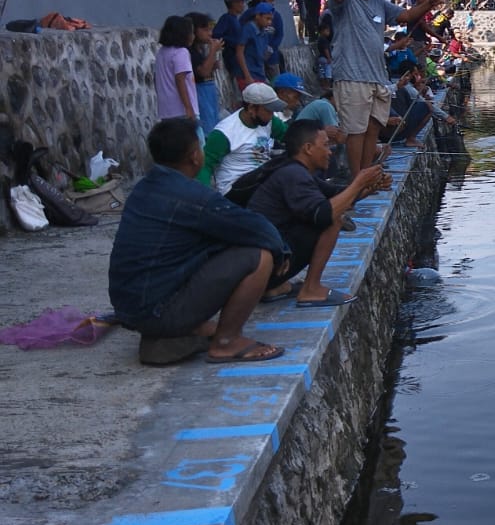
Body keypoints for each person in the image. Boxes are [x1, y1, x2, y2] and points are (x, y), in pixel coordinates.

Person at [109, 118, 287, 365]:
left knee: (222, 244)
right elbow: (260, 230)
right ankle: (227, 342)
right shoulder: (194, 197)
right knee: (259, 256)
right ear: (195, 156)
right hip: (156, 310)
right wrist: (282, 252)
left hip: (130, 309)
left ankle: (178, 334)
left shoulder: (142, 189)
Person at [327, 0, 444, 174]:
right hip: (352, 78)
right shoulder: (344, 1)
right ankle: (356, 179)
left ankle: (367, 172)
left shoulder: (378, 3)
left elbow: (406, 16)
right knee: (356, 130)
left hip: (377, 77)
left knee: (373, 128)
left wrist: (429, 4)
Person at [248, 119, 386, 309]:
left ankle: (275, 287)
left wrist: (370, 187)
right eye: (325, 145)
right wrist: (359, 182)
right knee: (334, 220)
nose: (330, 151)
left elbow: (337, 194)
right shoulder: (293, 175)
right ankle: (310, 289)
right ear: (308, 148)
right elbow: (323, 215)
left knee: (333, 210)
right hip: (268, 264)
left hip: (271, 261)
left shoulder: (294, 169)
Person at [201, 82, 288, 194]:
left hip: (261, 178)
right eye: (268, 110)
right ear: (252, 108)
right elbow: (205, 165)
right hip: (235, 186)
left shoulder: (269, 121)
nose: (271, 115)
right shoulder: (224, 133)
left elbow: (290, 136)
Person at [154, 15, 198, 125]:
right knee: (196, 140)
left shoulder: (161, 53)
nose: (193, 36)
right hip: (181, 110)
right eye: (191, 32)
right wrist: (188, 107)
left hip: (166, 110)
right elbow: (180, 79)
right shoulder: (181, 52)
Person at [186, 12, 222, 133]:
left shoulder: (198, 49)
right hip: (200, 93)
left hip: (207, 92)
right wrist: (213, 50)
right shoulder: (189, 51)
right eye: (206, 30)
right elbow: (203, 72)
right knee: (207, 128)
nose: (210, 34)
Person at [213, 0, 253, 87]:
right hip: (231, 58)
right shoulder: (226, 19)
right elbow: (216, 35)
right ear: (233, 3)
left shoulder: (235, 20)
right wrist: (232, 42)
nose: (243, 5)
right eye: (241, 2)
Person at [255, 0, 286, 79]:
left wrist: (271, 48)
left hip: (272, 56)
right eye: (270, 1)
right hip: (256, 58)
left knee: (275, 80)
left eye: (273, 1)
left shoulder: (276, 16)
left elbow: (279, 34)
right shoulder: (252, 15)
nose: (273, 3)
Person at [242, 3, 275, 83]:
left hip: (259, 73)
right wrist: (247, 76)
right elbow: (239, 53)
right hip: (249, 74)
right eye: (267, 19)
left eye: (271, 19)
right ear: (257, 16)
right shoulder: (248, 29)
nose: (269, 22)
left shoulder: (264, 32)